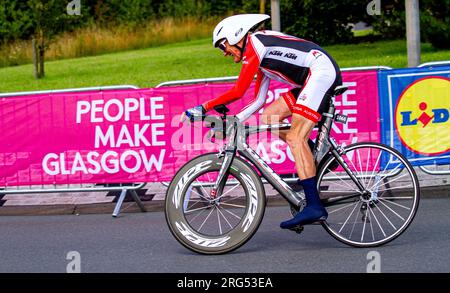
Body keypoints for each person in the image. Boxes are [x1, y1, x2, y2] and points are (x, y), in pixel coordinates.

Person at [182, 14, 342, 230]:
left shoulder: (255, 45)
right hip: (311, 77)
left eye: (223, 47)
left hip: (321, 73)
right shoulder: (259, 54)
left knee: (296, 138)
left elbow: (238, 91)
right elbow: (258, 101)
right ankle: (318, 158)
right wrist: (234, 122)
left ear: (235, 35)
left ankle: (314, 206)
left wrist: (203, 107)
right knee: (269, 117)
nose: (225, 53)